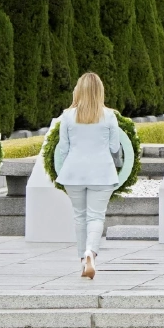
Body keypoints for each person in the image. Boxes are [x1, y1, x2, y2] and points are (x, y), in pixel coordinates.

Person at [53, 72, 122, 279]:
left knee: (80, 216)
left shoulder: (67, 116)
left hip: (74, 172)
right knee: (96, 216)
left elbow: (63, 149)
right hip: (102, 172)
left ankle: (83, 260)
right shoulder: (109, 115)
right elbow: (114, 147)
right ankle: (90, 252)